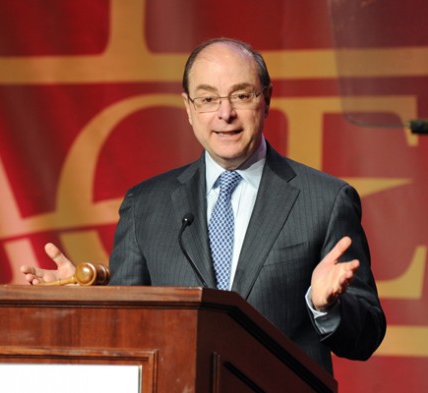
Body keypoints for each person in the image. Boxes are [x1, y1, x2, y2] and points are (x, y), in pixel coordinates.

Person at [20, 37, 386, 374]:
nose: (224, 113)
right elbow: (126, 329)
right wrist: (80, 303)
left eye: (241, 95)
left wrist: (326, 307)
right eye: (208, 99)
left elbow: (366, 337)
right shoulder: (145, 204)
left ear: (266, 99)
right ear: (188, 108)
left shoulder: (324, 200)